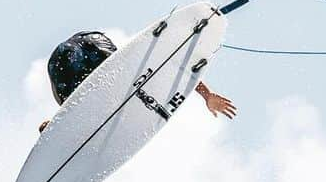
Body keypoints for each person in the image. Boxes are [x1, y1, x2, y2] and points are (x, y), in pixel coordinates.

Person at [39, 30, 236, 131]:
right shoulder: (128, 84)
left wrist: (207, 95)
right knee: (87, 98)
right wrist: (206, 95)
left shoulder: (110, 94)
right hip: (87, 49)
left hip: (81, 48)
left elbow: (172, 65)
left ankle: (56, 123)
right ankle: (56, 123)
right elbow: (173, 65)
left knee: (82, 102)